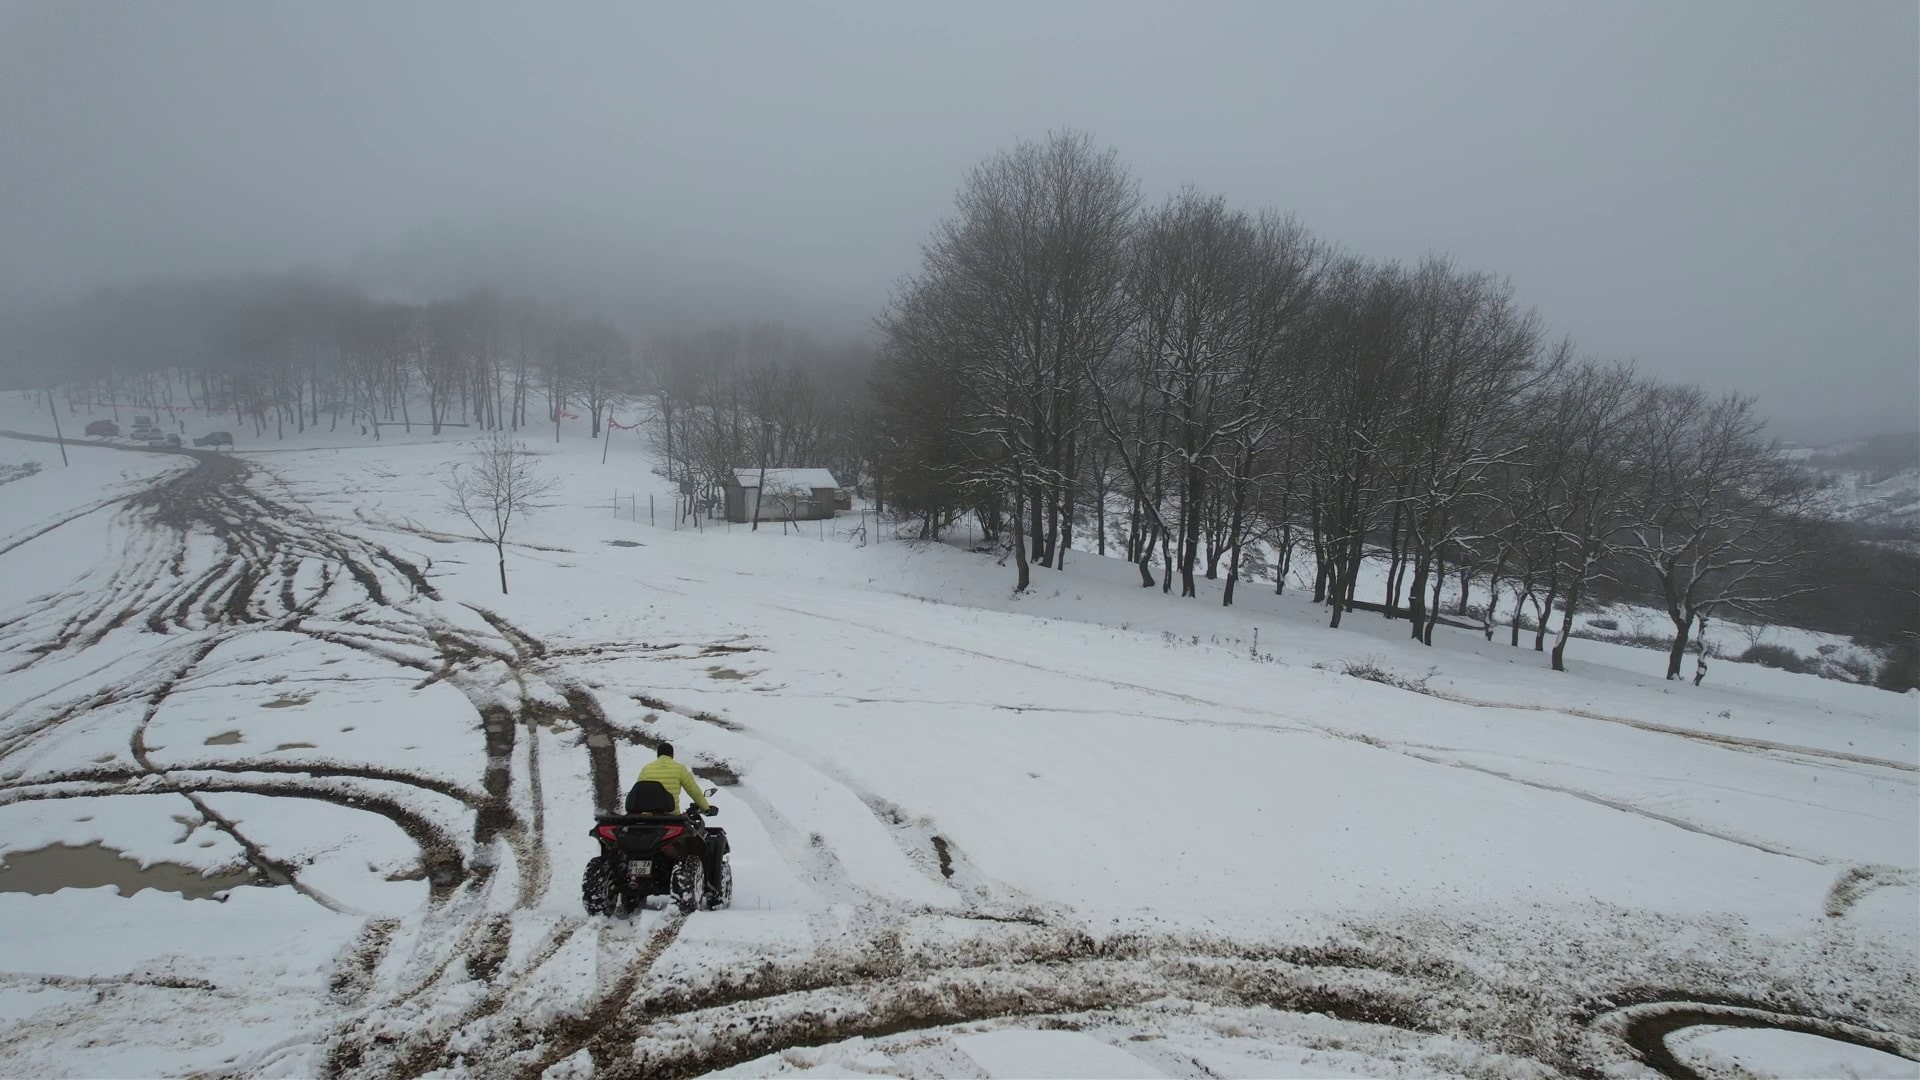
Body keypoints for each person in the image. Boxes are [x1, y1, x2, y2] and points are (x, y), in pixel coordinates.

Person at [628, 742, 714, 816]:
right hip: (671, 817)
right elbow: (694, 790)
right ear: (672, 755)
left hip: (648, 818)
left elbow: (638, 791)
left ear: (658, 755)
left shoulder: (646, 769)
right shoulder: (679, 768)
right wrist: (706, 808)